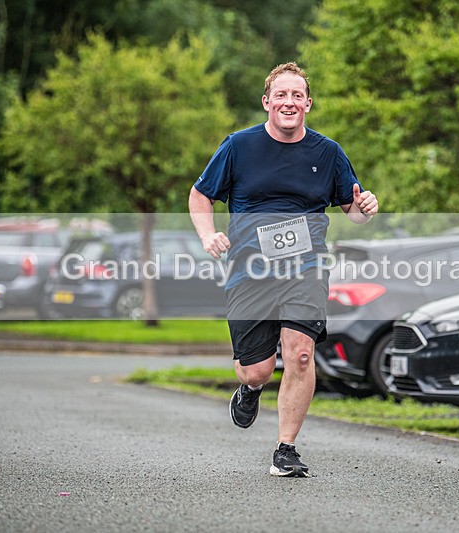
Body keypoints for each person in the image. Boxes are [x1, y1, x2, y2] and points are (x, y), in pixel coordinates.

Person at [188, 62, 378, 477]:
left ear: (307, 103)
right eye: (281, 95)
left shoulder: (328, 152)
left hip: (305, 267)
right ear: (266, 102)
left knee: (302, 354)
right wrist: (207, 236)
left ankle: (285, 449)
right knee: (256, 368)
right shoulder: (239, 146)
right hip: (250, 269)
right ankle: (251, 388)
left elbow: (353, 207)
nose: (288, 102)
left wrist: (365, 208)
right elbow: (200, 195)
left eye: (297, 95)